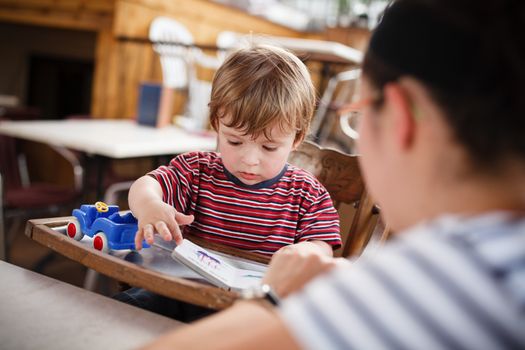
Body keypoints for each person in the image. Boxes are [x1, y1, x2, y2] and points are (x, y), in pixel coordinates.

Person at [139, 0, 525, 348]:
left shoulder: (435, 283)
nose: (250, 160)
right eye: (236, 141)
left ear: (400, 118)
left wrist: (272, 296)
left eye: (360, 112)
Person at [115, 44, 342, 321]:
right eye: (235, 141)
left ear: (296, 139)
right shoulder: (196, 171)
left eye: (269, 148)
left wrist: (306, 250)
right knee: (124, 311)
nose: (249, 160)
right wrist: (149, 204)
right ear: (216, 124)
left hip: (253, 312)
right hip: (181, 290)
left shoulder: (307, 194)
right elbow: (146, 186)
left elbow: (321, 248)